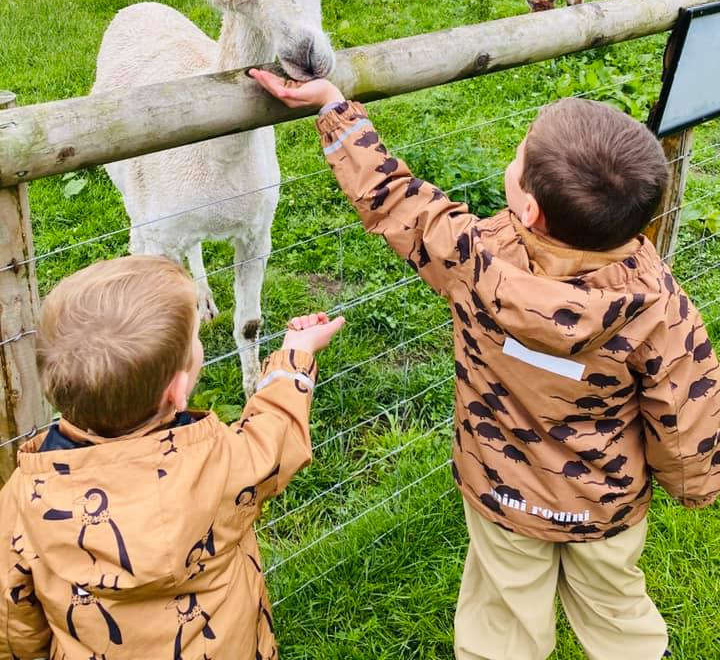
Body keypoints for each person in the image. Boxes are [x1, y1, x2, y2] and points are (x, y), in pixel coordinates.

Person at [250, 68, 720, 660]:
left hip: (504, 493)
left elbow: (396, 201)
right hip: (607, 506)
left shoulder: (474, 260)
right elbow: (688, 415)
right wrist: (697, 490)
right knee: (618, 613)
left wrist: (334, 108)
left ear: (528, 207)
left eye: (518, 157)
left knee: (502, 622)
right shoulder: (662, 310)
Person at [0, 254, 343, 660]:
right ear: (176, 392)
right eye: (196, 340)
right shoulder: (223, 464)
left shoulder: (25, 496)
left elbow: (12, 616)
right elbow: (276, 432)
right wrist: (294, 358)